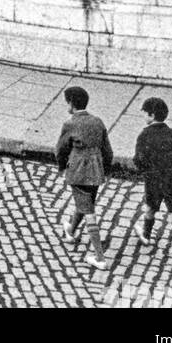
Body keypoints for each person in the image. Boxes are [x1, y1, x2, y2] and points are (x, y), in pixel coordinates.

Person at [56, 85, 114, 271]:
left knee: (89, 211)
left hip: (79, 171)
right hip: (96, 170)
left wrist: (61, 166)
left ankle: (100, 257)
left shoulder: (70, 124)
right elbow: (108, 150)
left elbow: (61, 149)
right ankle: (70, 230)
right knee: (86, 202)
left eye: (67, 103)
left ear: (72, 104)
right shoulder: (97, 121)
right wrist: (105, 167)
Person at [133, 97, 172, 267]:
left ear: (151, 115)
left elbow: (139, 160)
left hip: (153, 179)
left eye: (145, 113)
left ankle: (147, 235)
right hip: (171, 179)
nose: (144, 117)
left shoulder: (144, 135)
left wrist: (145, 170)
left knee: (150, 209)